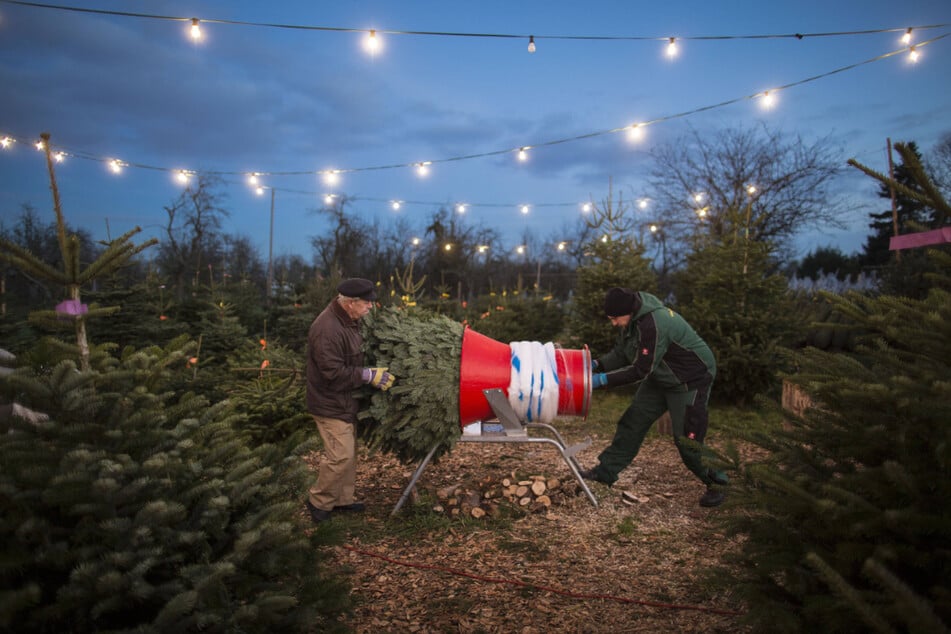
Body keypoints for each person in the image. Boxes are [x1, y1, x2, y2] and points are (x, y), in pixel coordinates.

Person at [581, 287, 728, 507]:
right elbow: (622, 353)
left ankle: (718, 482)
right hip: (660, 377)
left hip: (689, 380)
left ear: (627, 311)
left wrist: (601, 380)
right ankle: (604, 473)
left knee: (687, 441)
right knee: (633, 422)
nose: (614, 324)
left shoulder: (653, 324)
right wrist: (597, 364)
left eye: (615, 318)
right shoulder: (631, 321)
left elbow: (640, 370)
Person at [304, 278, 395, 523]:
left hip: (345, 400)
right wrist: (367, 376)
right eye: (366, 303)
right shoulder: (327, 330)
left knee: (349, 452)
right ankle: (318, 502)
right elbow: (333, 374)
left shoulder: (349, 320)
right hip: (329, 403)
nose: (370, 307)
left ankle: (342, 500)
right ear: (351, 303)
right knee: (340, 455)